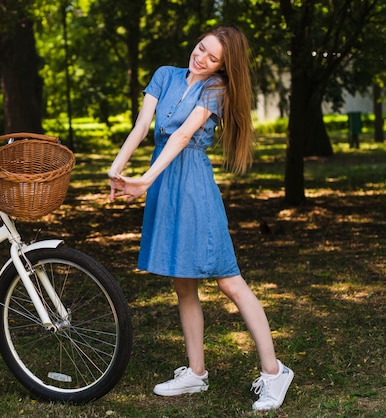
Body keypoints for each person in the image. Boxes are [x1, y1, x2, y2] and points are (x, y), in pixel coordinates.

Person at [108, 25, 293, 411]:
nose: (202, 58)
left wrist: (143, 179)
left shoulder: (216, 89)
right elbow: (143, 127)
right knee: (183, 283)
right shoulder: (165, 75)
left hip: (192, 185)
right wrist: (118, 166)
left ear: (225, 66)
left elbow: (180, 137)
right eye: (200, 48)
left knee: (229, 282)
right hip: (164, 183)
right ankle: (196, 372)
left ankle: (275, 372)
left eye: (213, 58)